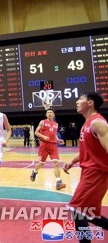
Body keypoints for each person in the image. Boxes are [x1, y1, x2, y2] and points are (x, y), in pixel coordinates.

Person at [63, 92, 108, 240]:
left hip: (97, 172)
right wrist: (73, 161)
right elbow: (89, 151)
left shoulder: (97, 123)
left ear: (90, 103)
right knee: (89, 213)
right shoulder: (87, 124)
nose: (76, 102)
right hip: (89, 171)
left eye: (80, 99)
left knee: (76, 209)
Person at [29, 108, 66, 190]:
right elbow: (36, 132)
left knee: (56, 164)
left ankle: (58, 182)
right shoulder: (42, 122)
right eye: (48, 112)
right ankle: (34, 171)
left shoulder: (56, 124)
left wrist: (58, 140)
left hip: (53, 146)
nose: (49, 113)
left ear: (54, 115)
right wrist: (43, 136)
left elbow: (55, 134)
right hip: (44, 145)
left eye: (51, 112)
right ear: (46, 114)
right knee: (41, 163)